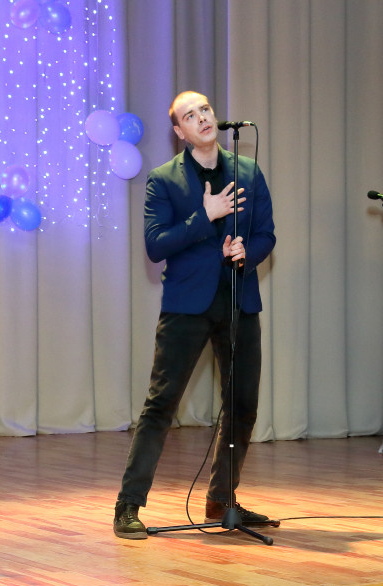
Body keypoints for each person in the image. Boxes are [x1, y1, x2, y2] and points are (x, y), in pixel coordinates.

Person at [114, 91, 276, 539]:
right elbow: (155, 244)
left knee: (242, 406)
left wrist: (247, 252)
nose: (201, 117)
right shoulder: (164, 179)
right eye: (190, 115)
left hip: (239, 300)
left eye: (204, 109)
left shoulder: (248, 171)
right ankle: (128, 505)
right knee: (161, 405)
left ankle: (221, 498)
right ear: (179, 132)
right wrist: (204, 216)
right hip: (186, 306)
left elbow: (266, 233)